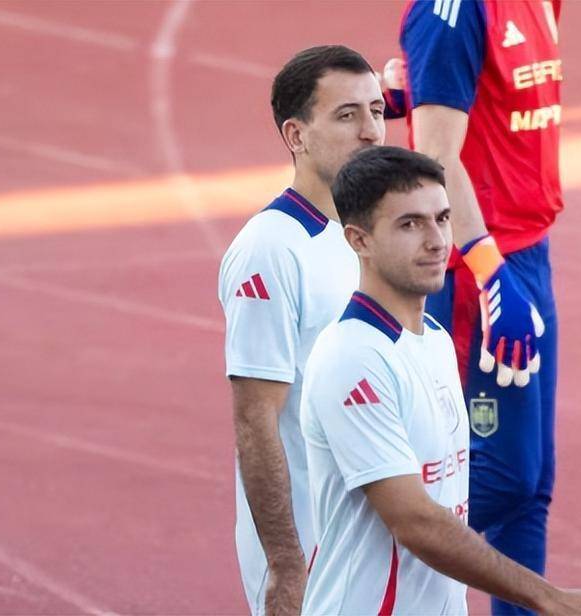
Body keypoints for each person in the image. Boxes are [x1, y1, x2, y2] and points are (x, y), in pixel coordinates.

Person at [300, 146, 581, 616]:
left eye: (443, 219)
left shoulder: (435, 340)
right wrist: (545, 596)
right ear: (359, 240)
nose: (436, 241)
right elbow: (417, 522)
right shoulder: (353, 358)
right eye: (410, 224)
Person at [396, 2, 564, 612]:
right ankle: (363, 555)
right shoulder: (457, 8)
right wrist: (490, 272)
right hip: (480, 268)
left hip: (529, 253)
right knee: (504, 476)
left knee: (533, 487)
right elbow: (437, 157)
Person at [218, 45, 384, 614]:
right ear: (296, 135)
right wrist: (287, 564)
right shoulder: (271, 249)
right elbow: (255, 418)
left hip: (378, 537)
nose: (371, 131)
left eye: (378, 111)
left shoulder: (373, 235)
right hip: (318, 550)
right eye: (347, 115)